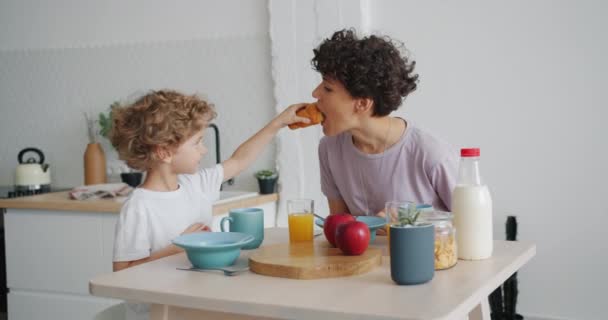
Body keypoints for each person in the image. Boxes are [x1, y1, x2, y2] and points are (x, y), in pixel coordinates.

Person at [110, 90, 307, 272]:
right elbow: (122, 271)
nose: (203, 150)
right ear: (164, 152)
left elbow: (239, 161)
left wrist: (278, 123)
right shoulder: (140, 205)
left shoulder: (197, 184)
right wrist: (180, 245)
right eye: (197, 143)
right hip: (159, 309)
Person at [312, 29, 458, 219]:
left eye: (328, 88)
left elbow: (474, 224)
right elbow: (339, 229)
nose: (315, 94)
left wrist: (413, 218)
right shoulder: (329, 149)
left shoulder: (431, 154)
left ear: (362, 103)